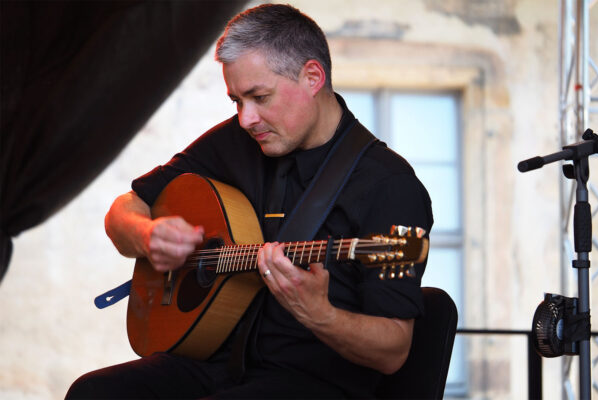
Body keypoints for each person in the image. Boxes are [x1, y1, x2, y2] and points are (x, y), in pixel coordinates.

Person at [67, 3, 433, 399]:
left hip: (313, 382)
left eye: (259, 96)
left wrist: (320, 313)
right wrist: (147, 234)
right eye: (237, 101)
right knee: (93, 393)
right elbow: (126, 208)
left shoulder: (390, 186)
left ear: (312, 76)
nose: (246, 118)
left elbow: (393, 350)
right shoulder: (238, 141)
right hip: (212, 364)